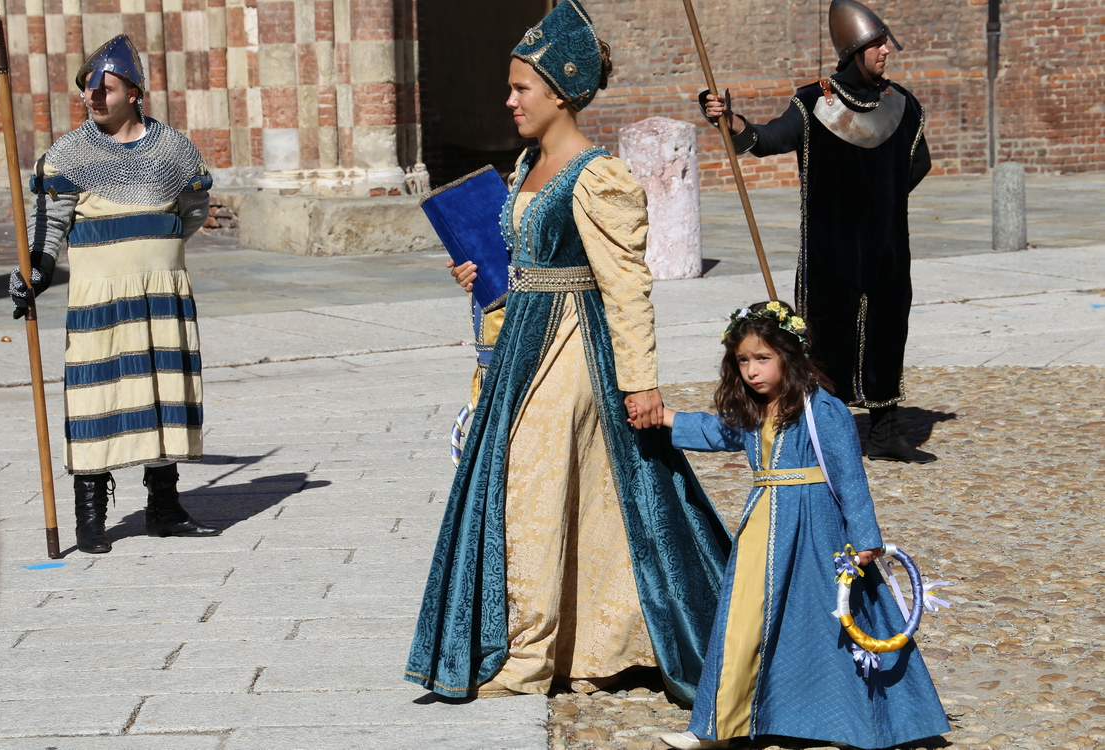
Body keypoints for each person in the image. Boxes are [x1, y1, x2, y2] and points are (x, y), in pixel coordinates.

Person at [405, 0, 732, 701]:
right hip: (522, 338)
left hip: (572, 349)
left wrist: (641, 383)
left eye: (521, 88)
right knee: (571, 494)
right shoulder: (526, 163)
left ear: (560, 93)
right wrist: (483, 275)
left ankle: (525, 657)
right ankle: (582, 649)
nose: (509, 99)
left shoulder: (597, 176)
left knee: (530, 488)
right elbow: (521, 254)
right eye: (511, 87)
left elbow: (627, 290)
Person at [644, 301, 948, 750]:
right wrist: (665, 417)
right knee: (742, 617)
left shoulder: (821, 409)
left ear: (790, 355)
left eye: (762, 358)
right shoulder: (753, 407)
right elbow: (718, 431)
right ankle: (714, 727)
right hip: (763, 525)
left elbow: (849, 475)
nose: (751, 370)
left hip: (819, 529)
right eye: (743, 360)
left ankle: (854, 725)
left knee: (829, 623)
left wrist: (865, 538)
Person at [8, 34, 219, 554]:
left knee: (161, 392)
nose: (93, 97)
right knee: (95, 394)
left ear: (134, 90)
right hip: (99, 294)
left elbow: (193, 209)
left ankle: (164, 509)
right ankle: (90, 513)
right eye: (87, 89)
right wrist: (34, 270)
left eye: (104, 87)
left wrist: (155, 249)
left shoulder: (173, 149)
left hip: (162, 290)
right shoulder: (69, 155)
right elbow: (48, 226)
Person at [701, 0, 935, 463]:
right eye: (877, 44)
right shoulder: (813, 103)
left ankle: (886, 431)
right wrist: (729, 120)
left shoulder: (902, 105)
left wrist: (882, 200)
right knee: (829, 336)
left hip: (888, 247)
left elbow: (919, 163)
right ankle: (825, 430)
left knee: (888, 328)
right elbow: (767, 140)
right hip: (831, 250)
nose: (886, 51)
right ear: (854, 50)